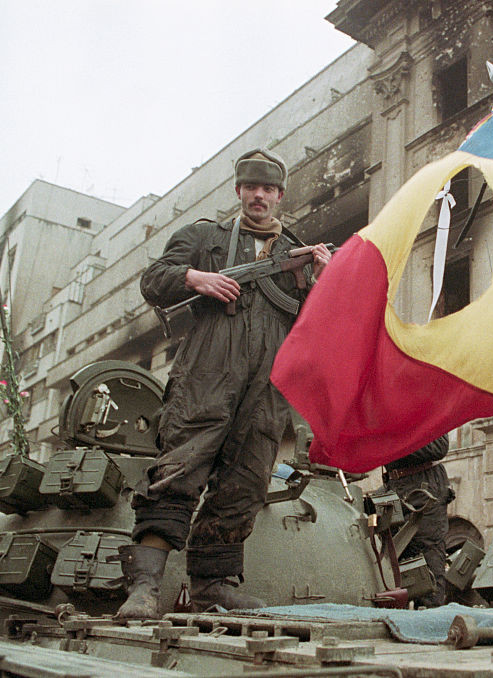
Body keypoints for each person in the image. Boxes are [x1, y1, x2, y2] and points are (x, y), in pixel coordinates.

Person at [116, 149, 331, 619]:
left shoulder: (297, 254)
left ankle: (212, 587)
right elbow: (153, 280)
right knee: (178, 470)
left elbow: (317, 328)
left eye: (268, 189)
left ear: (280, 195)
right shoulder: (204, 238)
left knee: (247, 482)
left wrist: (322, 281)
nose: (259, 196)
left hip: (266, 388)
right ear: (238, 191)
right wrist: (194, 277)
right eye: (251, 187)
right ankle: (144, 587)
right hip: (206, 376)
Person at [383, 434, 454, 607]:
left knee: (429, 567)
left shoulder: (421, 414)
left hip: (423, 486)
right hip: (394, 487)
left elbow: (439, 446)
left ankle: (430, 619)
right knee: (391, 566)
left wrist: (394, 441)